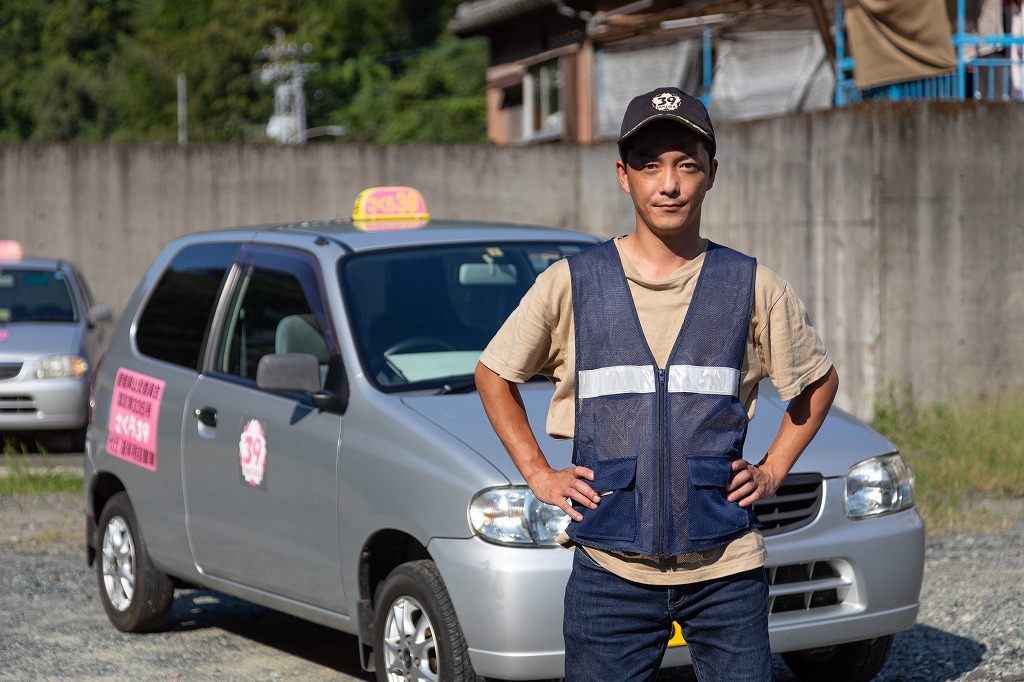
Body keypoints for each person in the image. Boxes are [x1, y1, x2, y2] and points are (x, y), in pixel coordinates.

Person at [474, 87, 839, 682]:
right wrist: (539, 474)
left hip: (726, 568)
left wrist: (772, 470)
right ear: (624, 176)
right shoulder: (572, 283)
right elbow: (493, 375)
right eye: (650, 165)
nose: (668, 184)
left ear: (711, 174)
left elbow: (818, 383)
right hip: (609, 571)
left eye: (686, 165)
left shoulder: (750, 284)